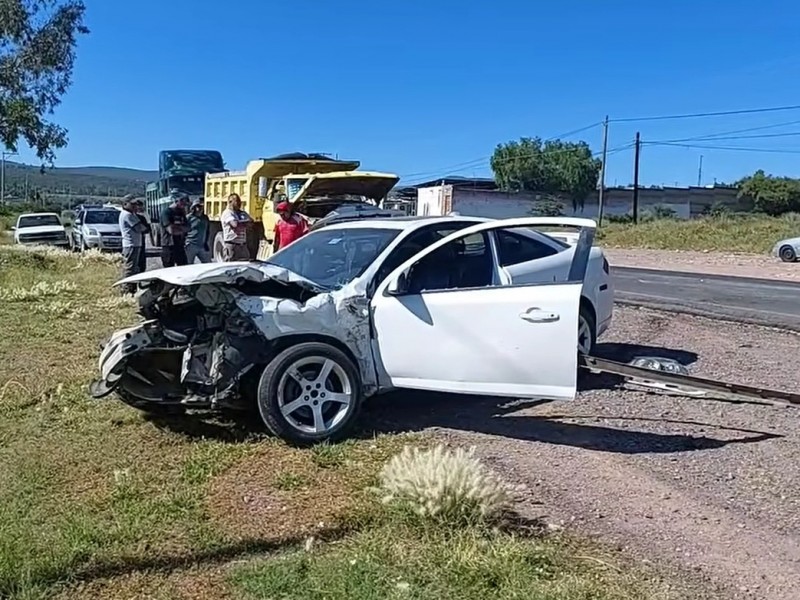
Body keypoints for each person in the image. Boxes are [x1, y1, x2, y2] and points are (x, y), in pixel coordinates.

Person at [118, 197, 149, 294]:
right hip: (131, 245)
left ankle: (131, 289)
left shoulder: (130, 214)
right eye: (132, 204)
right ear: (125, 204)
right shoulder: (128, 215)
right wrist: (144, 227)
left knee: (134, 268)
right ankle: (126, 290)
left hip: (134, 244)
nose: (135, 206)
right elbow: (140, 228)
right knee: (130, 268)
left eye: (136, 204)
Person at [159, 194, 189, 267]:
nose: (184, 206)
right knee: (169, 269)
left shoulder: (181, 213)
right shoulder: (166, 213)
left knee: (184, 267)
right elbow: (171, 230)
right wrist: (181, 229)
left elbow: (188, 228)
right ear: (177, 201)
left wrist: (178, 228)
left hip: (179, 245)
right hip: (169, 245)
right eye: (183, 203)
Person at [220, 193, 252, 261]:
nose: (239, 203)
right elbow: (235, 225)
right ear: (230, 202)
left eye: (239, 201)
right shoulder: (227, 213)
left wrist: (244, 222)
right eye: (236, 201)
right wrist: (245, 223)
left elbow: (251, 222)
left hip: (242, 245)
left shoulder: (242, 213)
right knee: (230, 267)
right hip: (232, 245)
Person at [185, 198, 211, 263]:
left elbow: (207, 230)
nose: (200, 209)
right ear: (194, 207)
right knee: (187, 265)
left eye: (202, 207)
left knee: (208, 264)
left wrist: (206, 242)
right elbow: (183, 231)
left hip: (202, 245)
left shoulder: (205, 218)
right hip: (190, 244)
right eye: (198, 206)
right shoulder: (188, 218)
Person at [131, 199, 151, 274]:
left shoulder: (142, 218)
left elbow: (148, 229)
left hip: (141, 242)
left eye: (139, 207)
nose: (138, 208)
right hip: (133, 242)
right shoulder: (129, 216)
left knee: (141, 262)